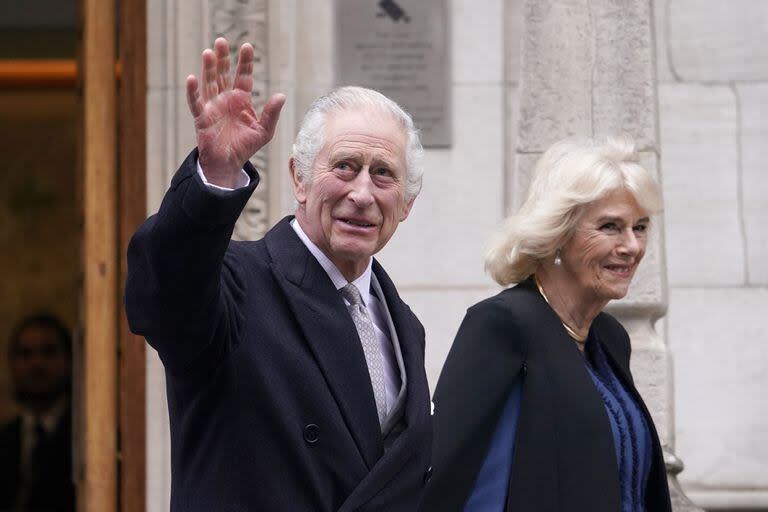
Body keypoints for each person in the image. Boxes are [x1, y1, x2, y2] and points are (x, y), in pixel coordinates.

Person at [125, 37, 432, 511]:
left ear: (407, 204)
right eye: (345, 167)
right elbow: (163, 294)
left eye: (383, 174)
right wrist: (215, 178)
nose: (362, 193)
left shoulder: (404, 325)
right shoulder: (237, 285)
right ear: (299, 178)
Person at [420, 136, 673, 512]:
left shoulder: (609, 337)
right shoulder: (504, 325)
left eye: (640, 227)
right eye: (610, 226)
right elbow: (463, 482)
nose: (632, 246)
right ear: (558, 232)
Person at [0, 314, 74, 512]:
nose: (36, 364)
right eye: (25, 353)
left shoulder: (86, 440)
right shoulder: (5, 439)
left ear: (68, 361)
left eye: (48, 352)